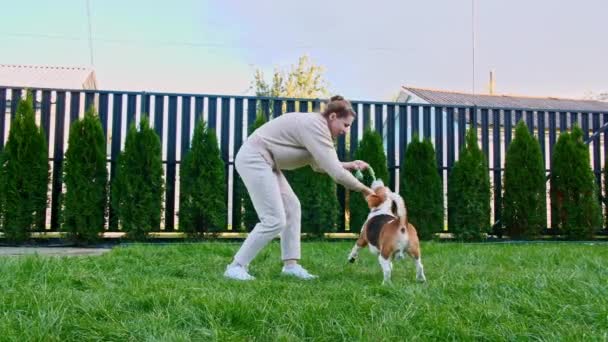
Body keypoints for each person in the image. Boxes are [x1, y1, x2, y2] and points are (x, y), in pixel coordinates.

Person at [224, 95, 374, 281]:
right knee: (274, 219)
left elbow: (320, 165)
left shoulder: (318, 129)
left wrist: (349, 164)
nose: (346, 130)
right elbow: (334, 172)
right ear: (333, 116)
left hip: (267, 162)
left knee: (292, 207)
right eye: (346, 125)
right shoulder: (315, 126)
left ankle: (291, 266)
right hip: (254, 158)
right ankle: (236, 266)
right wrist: (364, 189)